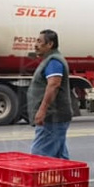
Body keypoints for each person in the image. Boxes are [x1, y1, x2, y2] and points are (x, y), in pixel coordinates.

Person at [28, 29, 74, 160]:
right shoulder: (49, 60)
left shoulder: (54, 61)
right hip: (54, 118)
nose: (36, 45)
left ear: (50, 44)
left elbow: (54, 85)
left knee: (39, 156)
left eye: (39, 41)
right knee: (60, 158)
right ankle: (65, 180)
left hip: (53, 118)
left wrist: (42, 110)